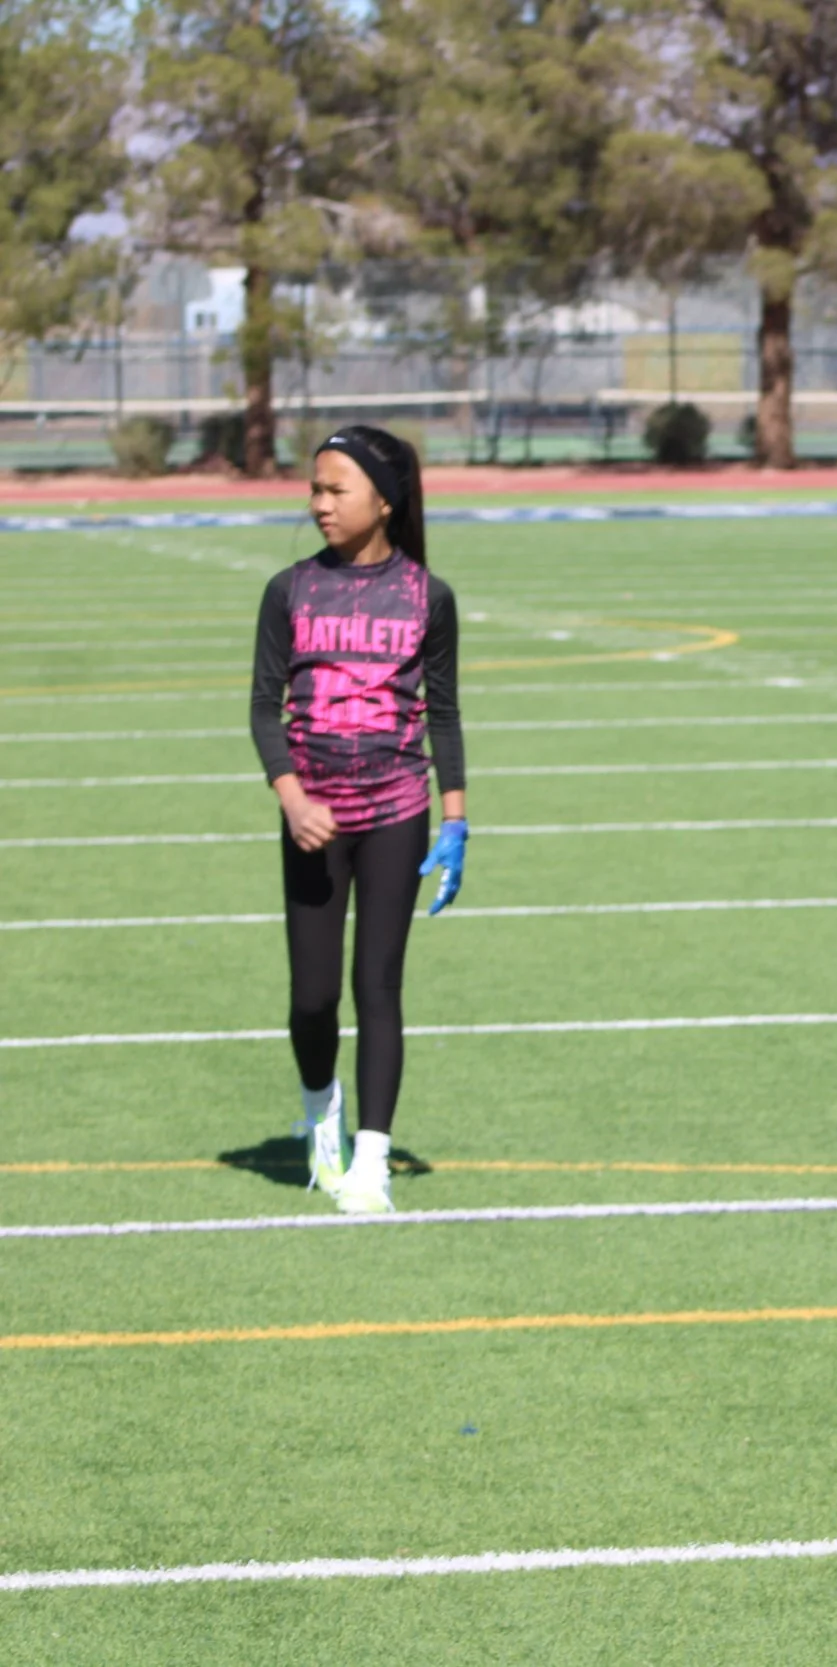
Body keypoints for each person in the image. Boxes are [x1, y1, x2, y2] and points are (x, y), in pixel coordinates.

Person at [248, 425, 467, 1215]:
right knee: (312, 998)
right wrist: (291, 796)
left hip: (398, 809)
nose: (319, 504)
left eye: (336, 489)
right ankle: (321, 1110)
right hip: (314, 816)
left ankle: (371, 1159)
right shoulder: (290, 590)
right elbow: (263, 709)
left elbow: (442, 711)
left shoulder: (427, 597)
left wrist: (455, 819)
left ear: (384, 499)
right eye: (314, 489)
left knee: (377, 984)